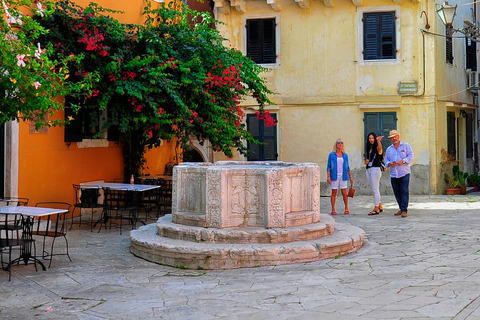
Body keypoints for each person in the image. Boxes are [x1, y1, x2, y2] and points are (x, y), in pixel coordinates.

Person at [384, 130, 414, 218]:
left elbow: (411, 155)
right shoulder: (389, 149)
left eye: (395, 136)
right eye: (392, 137)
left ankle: (404, 210)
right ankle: (401, 208)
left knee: (404, 191)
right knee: (397, 192)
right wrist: (389, 163)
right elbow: (386, 159)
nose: (394, 139)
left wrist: (403, 161)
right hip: (394, 173)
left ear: (398, 136)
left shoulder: (406, 146)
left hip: (404, 172)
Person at [327, 138, 354, 215]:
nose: (340, 144)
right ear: (336, 145)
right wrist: (328, 177)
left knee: (344, 192)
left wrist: (351, 177)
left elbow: (347, 167)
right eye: (339, 143)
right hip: (334, 175)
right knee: (334, 192)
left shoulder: (345, 155)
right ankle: (333, 209)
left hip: (343, 175)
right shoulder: (332, 155)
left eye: (342, 143)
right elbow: (328, 167)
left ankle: (346, 208)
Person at [365, 132, 384, 215]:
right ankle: (379, 205)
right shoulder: (369, 147)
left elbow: (380, 150)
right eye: (370, 138)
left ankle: (376, 207)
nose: (371, 140)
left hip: (375, 169)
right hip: (369, 169)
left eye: (372, 138)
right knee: (373, 188)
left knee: (375, 189)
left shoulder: (377, 147)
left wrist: (379, 141)